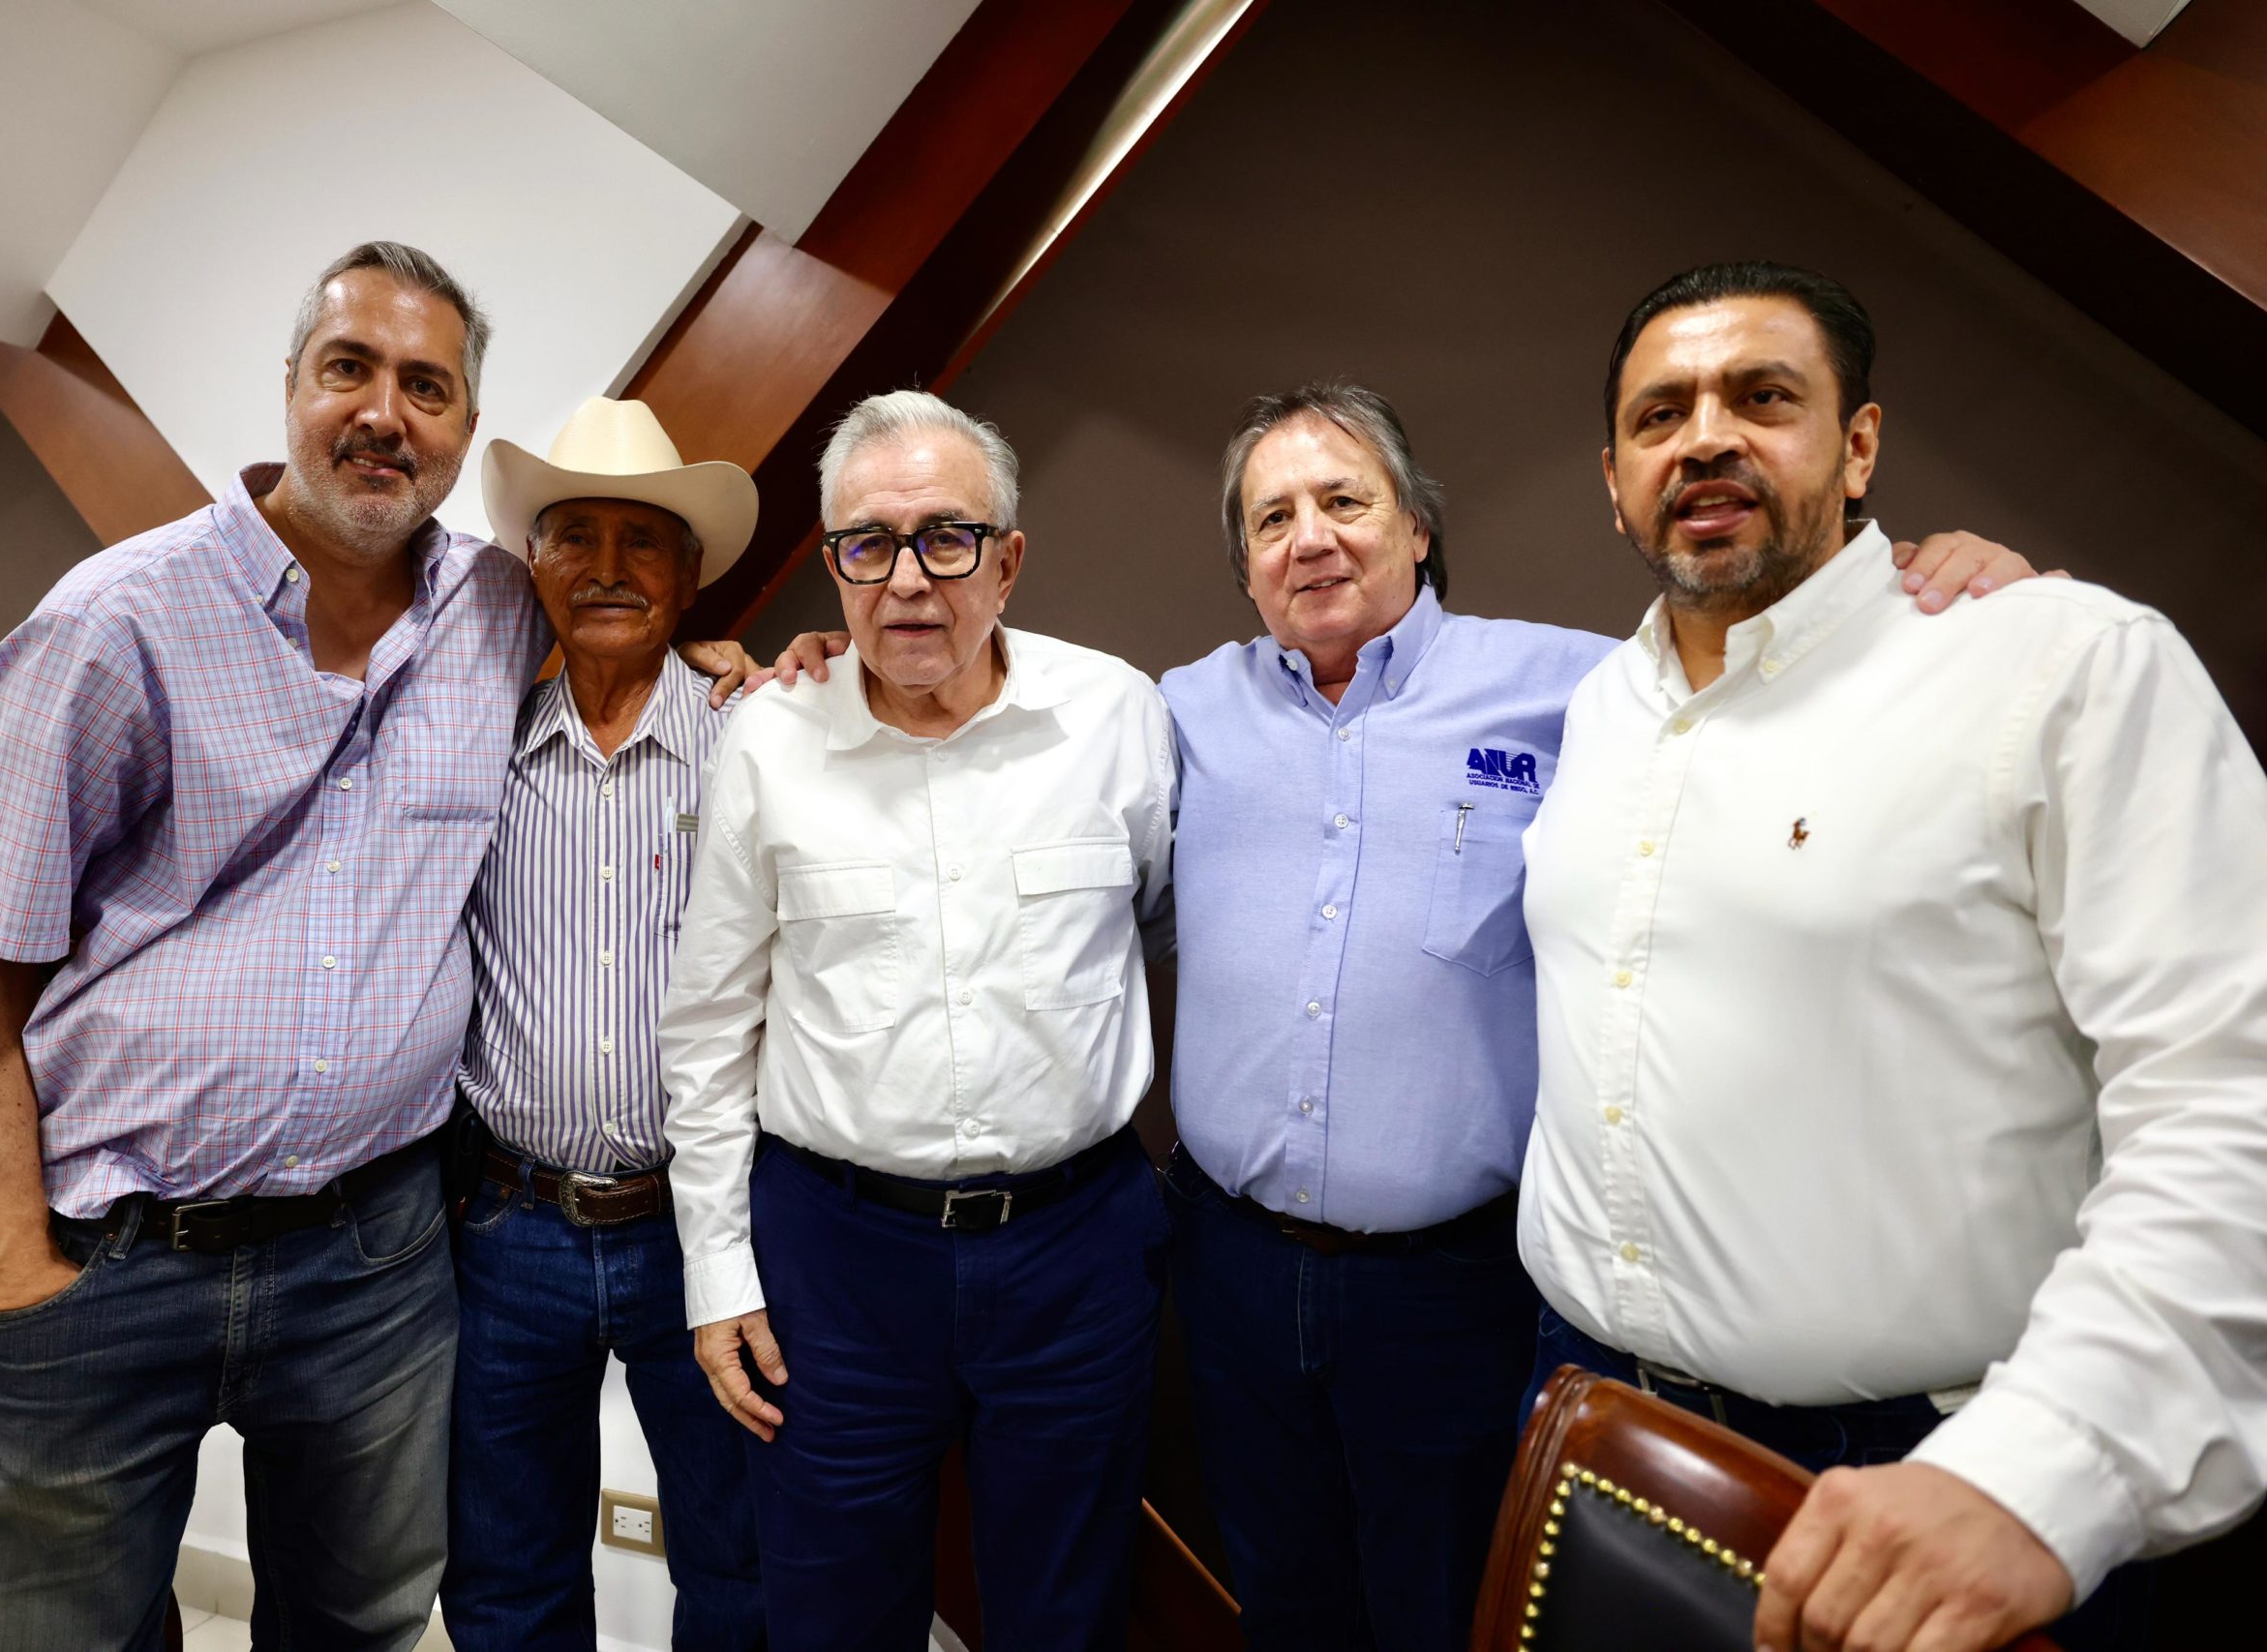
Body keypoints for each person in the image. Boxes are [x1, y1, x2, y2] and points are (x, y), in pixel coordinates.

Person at [764, 386, 2028, 1650]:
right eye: (1272, 518)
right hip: (1229, 1267)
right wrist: (824, 664)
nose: (1309, 537)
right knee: (1284, 1599)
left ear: (1416, 526)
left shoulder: (1578, 688)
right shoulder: (1172, 714)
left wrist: (1937, 601)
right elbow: (1022, 773)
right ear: (1246, 567)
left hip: (1454, 1283)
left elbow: (1767, 699)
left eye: (1342, 500)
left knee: (1442, 1605)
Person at [1521, 260, 2267, 1652]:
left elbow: (2232, 1097)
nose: (1705, 438)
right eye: (1660, 414)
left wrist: (2046, 1468)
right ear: (1615, 482)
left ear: (1858, 446)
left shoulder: (2058, 664)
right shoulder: (1600, 708)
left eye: (1762, 397)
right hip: (1595, 1421)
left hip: (1928, 1474)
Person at [0, 240, 549, 1649]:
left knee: (362, 1624)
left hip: (375, 1263)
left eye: (427, 386)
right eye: (350, 368)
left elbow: (628, 657)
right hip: (105, 1254)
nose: (385, 412)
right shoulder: (114, 620)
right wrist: (6, 1253)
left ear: (464, 424)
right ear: (290, 387)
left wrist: (739, 660)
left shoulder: (499, 614)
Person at [660, 390, 1176, 1651]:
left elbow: (1161, 924)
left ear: (1009, 559)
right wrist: (718, 1276)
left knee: (1068, 1613)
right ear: (834, 563)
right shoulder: (769, 737)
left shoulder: (1116, 717)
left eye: (947, 537)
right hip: (835, 1265)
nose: (906, 579)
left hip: (1076, 1252)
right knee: (833, 1615)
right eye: (868, 543)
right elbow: (710, 1031)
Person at [440, 397, 764, 1650]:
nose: (609, 567)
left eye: (644, 539)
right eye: (576, 535)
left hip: (707, 1227)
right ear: (535, 563)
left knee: (740, 1562)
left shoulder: (760, 741)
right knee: (506, 1571)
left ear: (691, 570)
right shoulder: (472, 752)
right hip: (506, 1227)